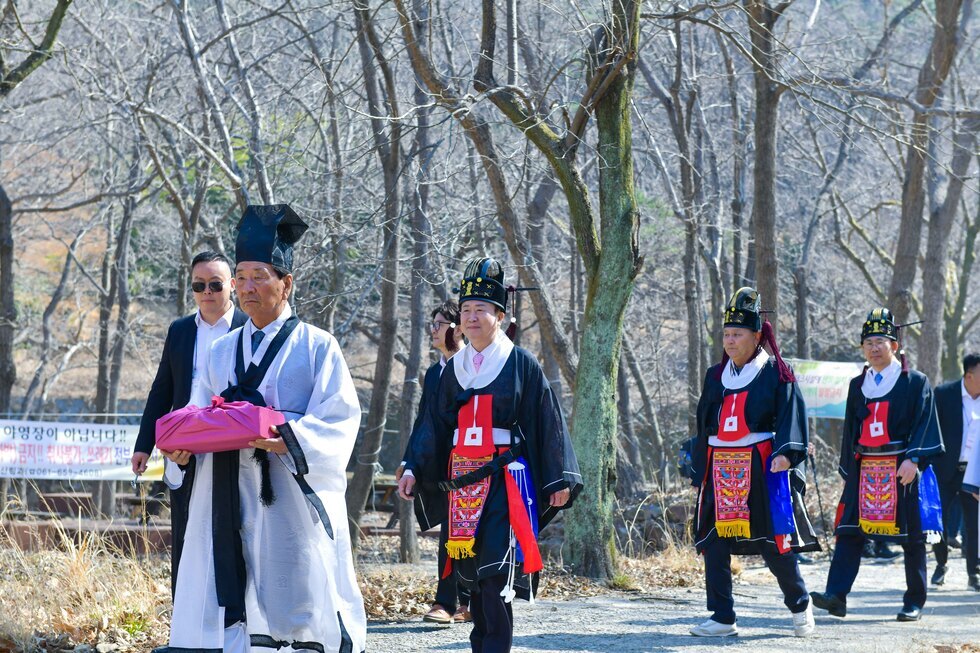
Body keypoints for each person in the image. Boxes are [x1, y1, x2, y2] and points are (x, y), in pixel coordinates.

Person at [158, 204, 366, 653]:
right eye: (241, 276)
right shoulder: (221, 350)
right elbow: (200, 412)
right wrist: (182, 446)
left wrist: (286, 438)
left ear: (286, 283)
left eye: (259, 276)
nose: (246, 288)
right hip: (228, 489)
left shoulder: (317, 347)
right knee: (234, 585)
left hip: (285, 491)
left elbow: (339, 418)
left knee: (294, 589)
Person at [397, 256, 582, 653]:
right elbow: (431, 424)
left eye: (481, 309)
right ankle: (481, 643)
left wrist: (557, 478)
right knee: (471, 573)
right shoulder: (450, 370)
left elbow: (547, 420)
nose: (472, 316)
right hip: (461, 480)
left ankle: (495, 646)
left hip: (503, 478)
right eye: (465, 310)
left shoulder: (520, 364)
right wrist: (413, 466)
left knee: (496, 570)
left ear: (500, 315)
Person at [688, 287, 819, 638]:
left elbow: (793, 418)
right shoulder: (716, 375)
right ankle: (722, 616)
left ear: (756, 336)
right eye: (726, 335)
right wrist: (699, 464)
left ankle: (800, 603)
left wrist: (785, 454)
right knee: (713, 541)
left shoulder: (777, 372)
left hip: (760, 466)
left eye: (737, 335)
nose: (729, 341)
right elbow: (704, 422)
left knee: (771, 543)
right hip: (719, 466)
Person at [811, 308, 944, 622]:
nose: (873, 347)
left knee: (912, 539)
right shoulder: (858, 385)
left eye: (880, 341)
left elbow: (926, 422)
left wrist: (914, 459)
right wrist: (849, 471)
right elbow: (850, 432)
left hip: (901, 467)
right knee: (849, 531)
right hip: (866, 468)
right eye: (868, 342)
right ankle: (836, 596)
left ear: (894, 346)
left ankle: (914, 601)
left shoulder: (915, 382)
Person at [131, 250, 247, 596]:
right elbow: (161, 388)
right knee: (183, 529)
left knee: (235, 530)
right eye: (199, 285)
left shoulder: (248, 327)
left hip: (232, 445)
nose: (207, 292)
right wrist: (143, 445)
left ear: (232, 285)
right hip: (182, 447)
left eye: (215, 284)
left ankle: (235, 624)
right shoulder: (180, 330)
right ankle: (186, 619)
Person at [395, 300, 471, 624]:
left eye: (440, 324)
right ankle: (447, 602)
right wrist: (410, 464)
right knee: (451, 531)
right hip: (439, 462)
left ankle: (469, 600)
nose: (433, 330)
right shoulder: (434, 372)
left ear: (456, 328)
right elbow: (423, 421)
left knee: (470, 531)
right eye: (433, 323)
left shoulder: (473, 366)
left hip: (473, 463)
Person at [931, 353, 980, 590]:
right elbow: (931, 429)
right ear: (969, 375)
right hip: (945, 469)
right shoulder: (943, 394)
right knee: (937, 521)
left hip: (974, 472)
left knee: (974, 524)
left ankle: (974, 572)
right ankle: (941, 564)